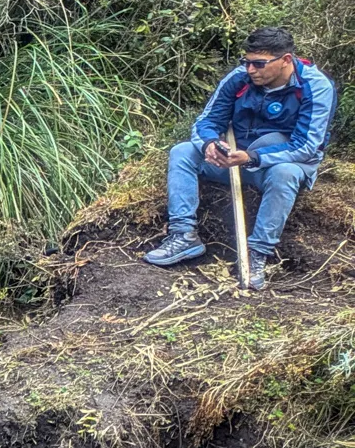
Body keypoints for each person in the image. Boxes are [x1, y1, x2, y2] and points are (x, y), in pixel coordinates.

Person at [144, 27, 337, 290]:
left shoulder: (315, 86)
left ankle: (257, 252)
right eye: (246, 62)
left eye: (259, 64)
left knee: (286, 173)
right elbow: (207, 121)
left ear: (286, 60)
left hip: (275, 164)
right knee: (182, 152)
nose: (250, 70)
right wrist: (210, 144)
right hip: (234, 159)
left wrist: (252, 157)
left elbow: (306, 146)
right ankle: (183, 234)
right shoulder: (238, 79)